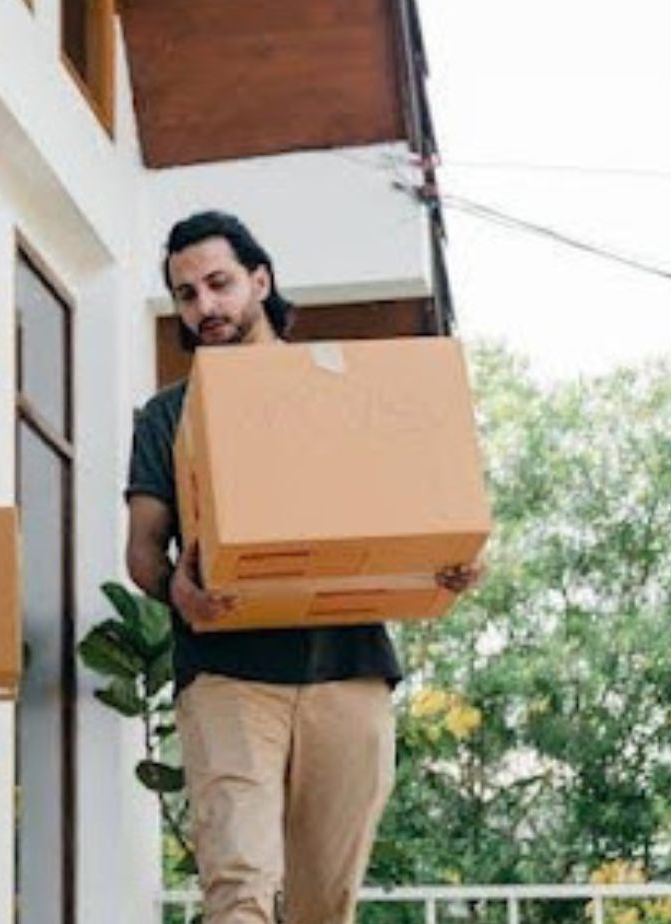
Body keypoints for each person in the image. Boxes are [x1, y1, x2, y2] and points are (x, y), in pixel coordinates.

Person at [123, 211, 481, 924]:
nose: (206, 307)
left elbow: (421, 500)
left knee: (326, 902)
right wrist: (177, 591)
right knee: (239, 887)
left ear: (261, 280)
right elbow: (141, 550)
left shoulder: (344, 393)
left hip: (348, 669)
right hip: (227, 674)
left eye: (219, 284)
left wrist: (449, 559)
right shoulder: (167, 417)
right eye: (187, 295)